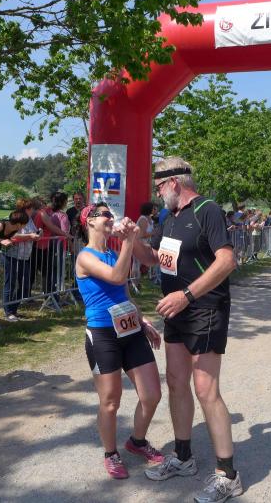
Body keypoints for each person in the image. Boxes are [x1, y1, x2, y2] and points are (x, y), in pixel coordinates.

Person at [132, 157, 243, 503]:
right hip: (175, 309)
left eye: (159, 185)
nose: (157, 192)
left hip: (204, 307)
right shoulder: (169, 217)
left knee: (205, 389)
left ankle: (228, 475)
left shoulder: (207, 210)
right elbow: (152, 258)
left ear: (175, 183)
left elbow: (227, 261)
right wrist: (129, 240)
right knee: (176, 382)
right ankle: (183, 457)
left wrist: (187, 295)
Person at [76, 202, 164, 479]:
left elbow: (123, 294)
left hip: (129, 330)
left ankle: (137, 441)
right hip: (103, 334)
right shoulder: (85, 257)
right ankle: (110, 453)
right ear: (89, 221)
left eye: (110, 215)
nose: (109, 218)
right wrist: (129, 241)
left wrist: (143, 321)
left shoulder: (113, 253)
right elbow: (115, 277)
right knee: (110, 401)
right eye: (104, 214)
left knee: (152, 394)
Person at [2, 198, 42, 321]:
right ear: (26, 209)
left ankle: (14, 309)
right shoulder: (15, 218)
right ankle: (8, 312)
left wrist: (38, 234)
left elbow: (33, 232)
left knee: (25, 284)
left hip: (25, 256)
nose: (33, 210)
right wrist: (29, 236)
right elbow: (12, 235)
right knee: (11, 283)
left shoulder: (30, 220)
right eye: (31, 208)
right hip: (12, 255)